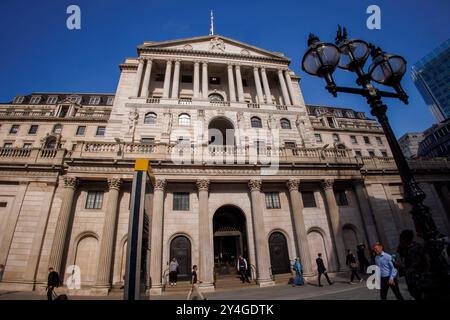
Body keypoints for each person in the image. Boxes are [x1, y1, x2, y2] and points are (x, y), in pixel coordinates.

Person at [397, 230, 427, 300]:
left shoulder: (413, 249)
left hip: (417, 278)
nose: (400, 241)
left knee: (418, 294)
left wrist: (401, 267)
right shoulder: (409, 247)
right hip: (414, 278)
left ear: (405, 239)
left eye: (401, 239)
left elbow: (415, 265)